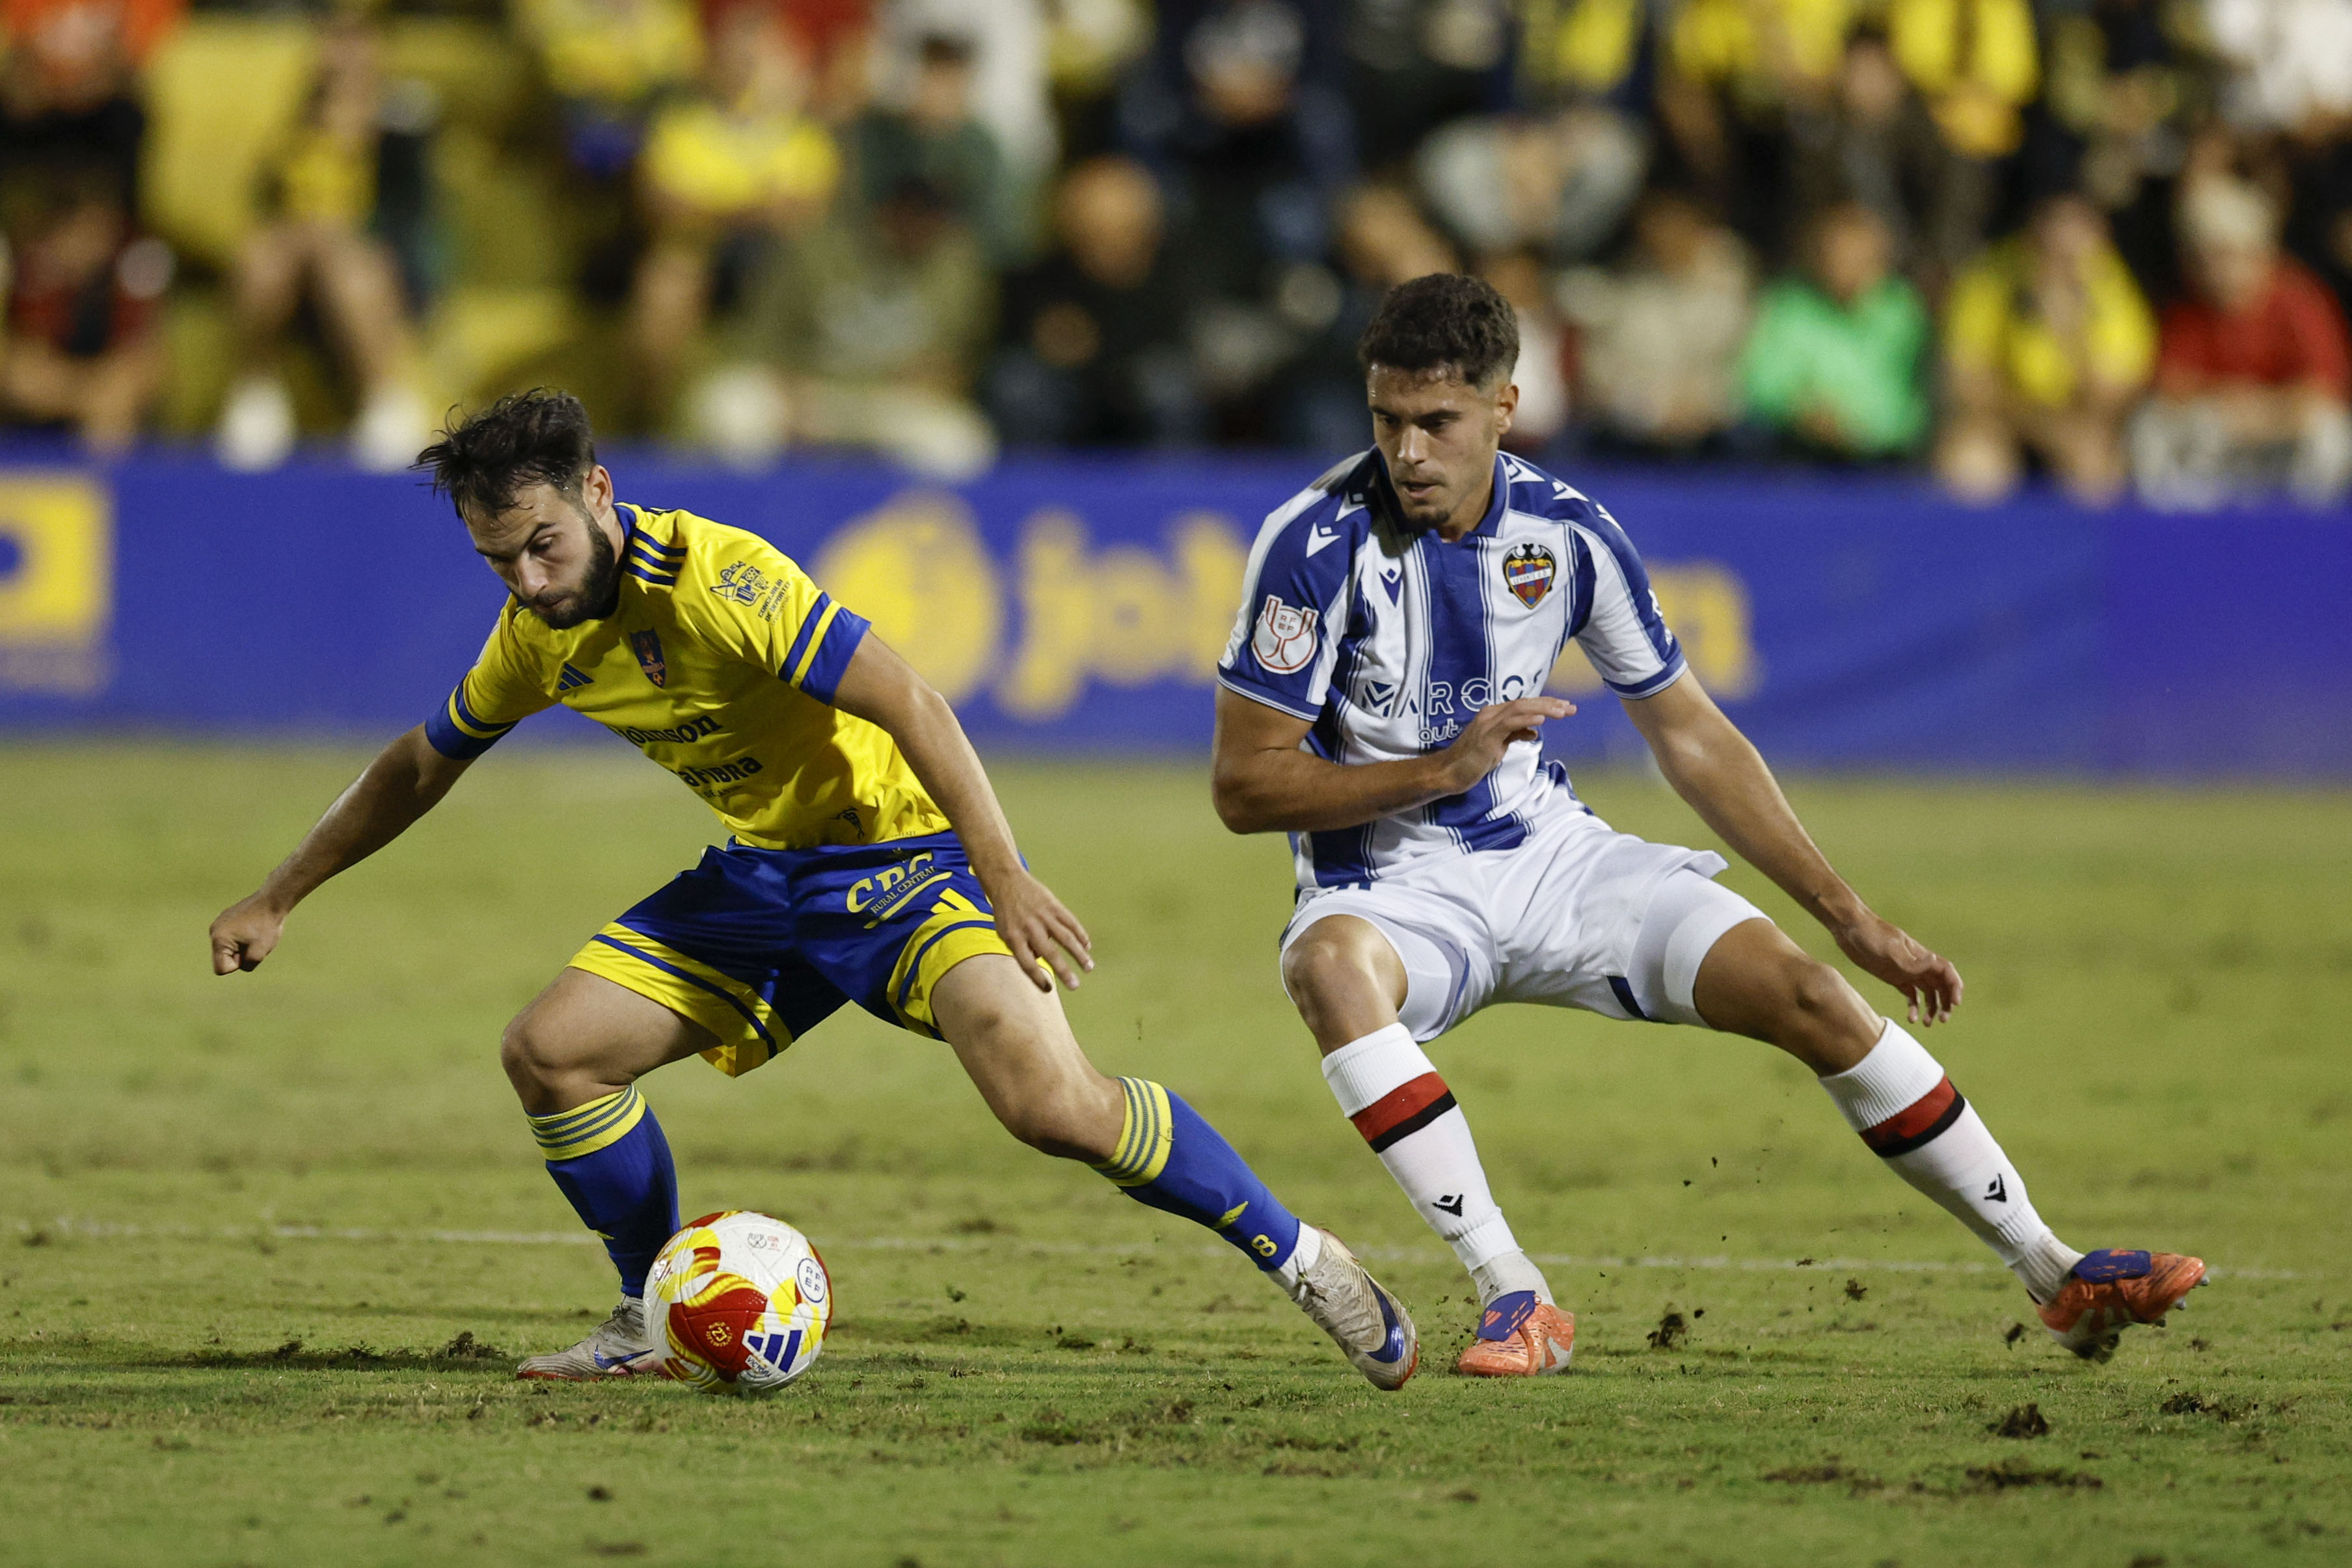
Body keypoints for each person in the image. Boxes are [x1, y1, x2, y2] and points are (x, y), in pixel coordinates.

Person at [205, 390, 1416, 1390]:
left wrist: (1003, 873)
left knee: (1053, 1107)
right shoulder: (539, 637)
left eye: (541, 546)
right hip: (765, 878)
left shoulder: (720, 581)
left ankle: (1304, 1258)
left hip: (905, 865)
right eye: (497, 560)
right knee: (554, 1052)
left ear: (598, 492)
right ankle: (645, 1316)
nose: (525, 580)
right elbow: (421, 763)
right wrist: (281, 893)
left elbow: (912, 702)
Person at [1208, 273, 2202, 1377]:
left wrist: (1851, 917)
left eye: (1437, 422)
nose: (1408, 451)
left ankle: (2055, 1271)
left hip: (1552, 862)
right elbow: (1245, 787)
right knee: (1330, 970)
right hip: (1389, 890)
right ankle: (1514, 1294)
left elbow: (1689, 736)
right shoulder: (1310, 545)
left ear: (1506, 407)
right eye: (1387, 420)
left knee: (1812, 994)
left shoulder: (1571, 537)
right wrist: (1439, 769)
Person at [2132, 175, 2352, 507]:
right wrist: (2225, 402)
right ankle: (2179, 532)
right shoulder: (2187, 306)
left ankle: (2307, 534)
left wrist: (2265, 409)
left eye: (2228, 255)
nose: (2216, 270)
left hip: (2283, 432)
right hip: (2217, 436)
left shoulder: (2299, 298)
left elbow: (2327, 386)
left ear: (2260, 253)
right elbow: (2168, 384)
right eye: (2204, 258)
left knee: (2332, 433)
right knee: (2149, 428)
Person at [1935, 192, 2154, 502]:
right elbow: (1968, 385)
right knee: (1969, 462)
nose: (2059, 263)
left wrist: (2069, 331)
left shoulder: (2114, 291)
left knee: (2095, 468)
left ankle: (2083, 551)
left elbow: (2109, 399)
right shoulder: (1991, 279)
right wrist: (2042, 427)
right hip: (2005, 423)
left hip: (2077, 425)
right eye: (2049, 248)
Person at [1737, 200, 1930, 459]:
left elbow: (1911, 403)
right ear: (1819, 257)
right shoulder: (1789, 307)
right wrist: (1801, 408)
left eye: (1859, 261)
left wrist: (1857, 426)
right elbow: (1760, 384)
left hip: (1887, 463)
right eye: (1839, 259)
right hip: (1797, 454)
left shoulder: (1904, 315)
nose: (1848, 271)